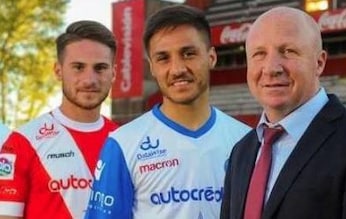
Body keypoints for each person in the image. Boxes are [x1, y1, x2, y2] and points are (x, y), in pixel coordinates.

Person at [85, 5, 251, 219]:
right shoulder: (123, 145)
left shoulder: (247, 141)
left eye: (188, 54)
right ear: (152, 67)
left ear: (211, 57)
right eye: (164, 58)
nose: (178, 69)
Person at [220, 6, 346, 219]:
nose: (271, 68)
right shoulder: (241, 152)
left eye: (288, 51)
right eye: (259, 54)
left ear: (319, 63)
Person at [0, 20, 118, 219]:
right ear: (58, 71)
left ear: (113, 73)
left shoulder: (126, 140)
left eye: (100, 68)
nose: (89, 80)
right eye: (78, 67)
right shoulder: (21, 143)